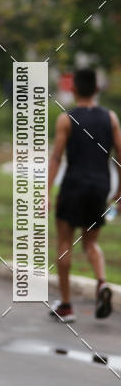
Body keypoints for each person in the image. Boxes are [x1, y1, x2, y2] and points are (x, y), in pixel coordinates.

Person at [48, 68, 121, 321]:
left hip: (73, 186)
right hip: (100, 187)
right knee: (91, 243)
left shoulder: (66, 119)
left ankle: (66, 306)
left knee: (65, 243)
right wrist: (120, 192)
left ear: (74, 89)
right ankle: (101, 283)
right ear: (97, 90)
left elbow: (56, 156)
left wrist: (46, 192)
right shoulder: (111, 118)